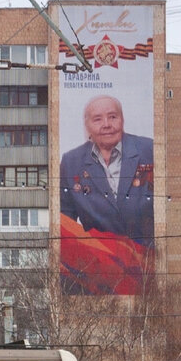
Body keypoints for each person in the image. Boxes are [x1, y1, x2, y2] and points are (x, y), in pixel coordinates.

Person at [59, 95, 155, 294]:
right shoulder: (71, 161)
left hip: (149, 268)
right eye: (98, 119)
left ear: (122, 120)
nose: (106, 125)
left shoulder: (149, 150)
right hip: (100, 272)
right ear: (87, 126)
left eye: (112, 117)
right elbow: (64, 221)